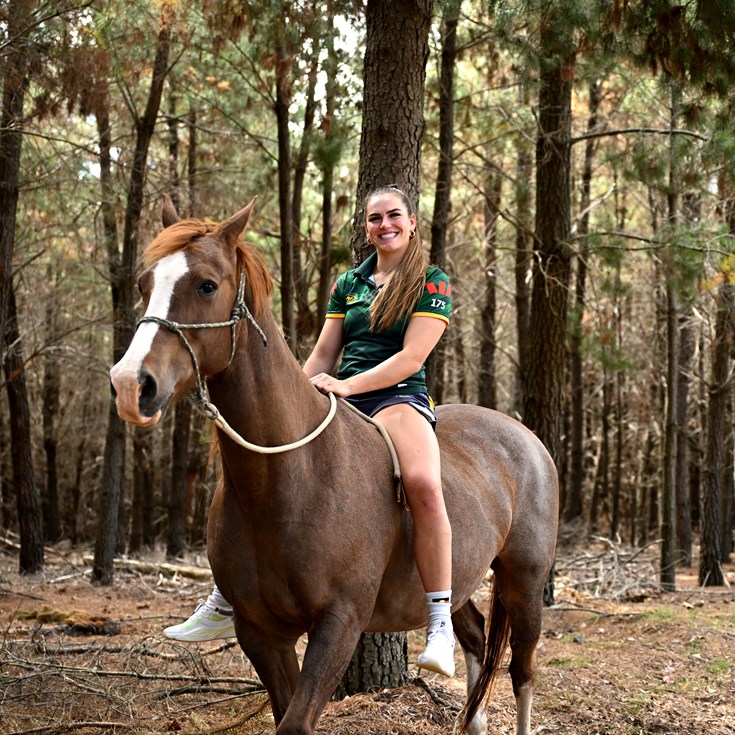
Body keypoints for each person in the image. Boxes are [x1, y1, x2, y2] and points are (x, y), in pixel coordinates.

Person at [164, 185, 455, 677]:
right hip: (337, 394)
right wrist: (294, 395)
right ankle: (225, 595)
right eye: (374, 218)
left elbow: (411, 357)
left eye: (393, 216)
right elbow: (322, 354)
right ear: (366, 227)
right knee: (262, 467)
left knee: (424, 484)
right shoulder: (350, 283)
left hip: (398, 398)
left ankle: (440, 621)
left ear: (411, 222)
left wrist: (346, 385)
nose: (384, 225)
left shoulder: (431, 281)